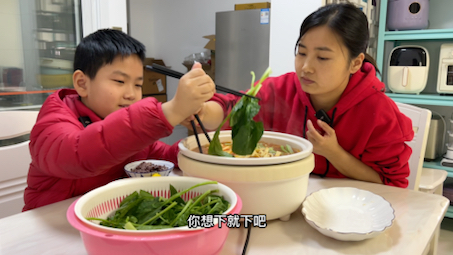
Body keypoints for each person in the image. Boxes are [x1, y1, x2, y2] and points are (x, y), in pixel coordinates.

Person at [191, 3, 414, 188]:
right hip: (284, 199)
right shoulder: (281, 89)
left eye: (322, 58)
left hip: (350, 213)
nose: (306, 67)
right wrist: (201, 110)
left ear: (355, 63)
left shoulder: (378, 112)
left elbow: (391, 184)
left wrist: (333, 153)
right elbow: (233, 106)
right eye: (302, 52)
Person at [24, 29, 215, 210]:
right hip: (48, 227)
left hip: (104, 219)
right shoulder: (54, 121)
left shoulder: (128, 131)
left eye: (138, 84)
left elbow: (164, 156)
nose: (131, 94)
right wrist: (170, 111)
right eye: (120, 82)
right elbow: (79, 154)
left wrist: (197, 150)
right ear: (82, 83)